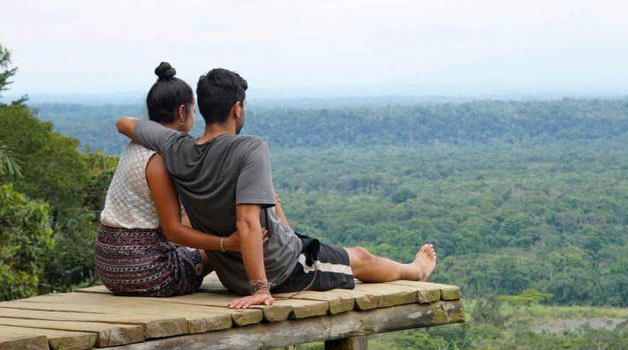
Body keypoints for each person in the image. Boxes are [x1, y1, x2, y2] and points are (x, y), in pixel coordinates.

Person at [116, 68, 437, 308]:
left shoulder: (178, 148)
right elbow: (247, 222)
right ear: (236, 109)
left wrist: (160, 132)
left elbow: (124, 123)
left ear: (202, 108)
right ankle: (415, 272)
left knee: (290, 223)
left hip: (231, 272)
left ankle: (409, 268)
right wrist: (260, 288)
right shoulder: (250, 148)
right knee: (361, 258)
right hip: (282, 268)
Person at [96, 62, 262, 297]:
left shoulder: (135, 147)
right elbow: (173, 231)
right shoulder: (160, 160)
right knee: (225, 247)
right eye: (194, 112)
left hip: (108, 266)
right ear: (182, 112)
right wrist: (228, 243)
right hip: (147, 273)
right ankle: (264, 281)